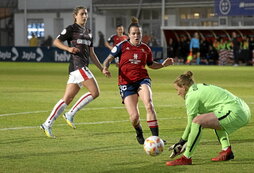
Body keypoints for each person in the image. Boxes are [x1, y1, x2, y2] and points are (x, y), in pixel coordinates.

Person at [102, 17, 174, 145]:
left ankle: (156, 139)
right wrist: (105, 68)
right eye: (134, 33)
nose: (136, 36)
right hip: (126, 83)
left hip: (142, 80)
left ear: (141, 34)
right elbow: (108, 59)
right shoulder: (122, 46)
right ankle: (139, 131)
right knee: (134, 117)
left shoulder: (146, 49)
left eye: (138, 33)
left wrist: (163, 64)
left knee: (149, 104)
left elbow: (151, 64)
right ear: (128, 35)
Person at [40, 6, 105, 138]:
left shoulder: (88, 31)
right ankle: (70, 114)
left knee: (67, 99)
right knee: (95, 92)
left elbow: (92, 53)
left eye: (86, 14)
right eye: (82, 14)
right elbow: (56, 42)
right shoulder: (71, 29)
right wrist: (68, 49)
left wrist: (102, 68)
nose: (85, 16)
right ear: (75, 15)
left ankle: (47, 123)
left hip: (79, 69)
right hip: (78, 67)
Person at [166, 71, 251, 166]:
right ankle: (226, 151)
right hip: (243, 109)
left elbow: (191, 124)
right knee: (212, 119)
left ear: (184, 87)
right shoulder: (198, 87)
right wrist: (183, 141)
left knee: (197, 121)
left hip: (235, 112)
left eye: (177, 89)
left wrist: (181, 142)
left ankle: (186, 158)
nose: (178, 93)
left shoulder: (191, 96)